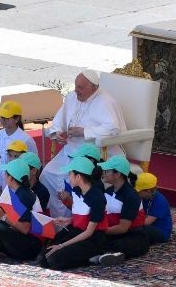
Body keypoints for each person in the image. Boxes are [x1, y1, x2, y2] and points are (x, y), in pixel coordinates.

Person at [41, 69, 125, 217]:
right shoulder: (73, 97)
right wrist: (57, 132)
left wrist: (84, 131)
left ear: (94, 88)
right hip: (70, 150)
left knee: (73, 180)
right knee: (47, 174)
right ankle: (57, 220)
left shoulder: (106, 101)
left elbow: (113, 128)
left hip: (94, 154)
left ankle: (77, 218)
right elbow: (59, 120)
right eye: (75, 86)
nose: (76, 91)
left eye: (80, 88)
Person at [36, 157, 108, 270]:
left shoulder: (97, 197)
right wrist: (68, 220)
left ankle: (94, 257)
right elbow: (82, 215)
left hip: (92, 238)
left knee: (54, 259)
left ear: (78, 176)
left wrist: (62, 245)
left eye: (70, 174)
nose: (68, 177)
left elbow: (89, 231)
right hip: (76, 231)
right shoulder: (76, 191)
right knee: (42, 257)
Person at [92, 155, 150, 265]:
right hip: (111, 230)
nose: (103, 172)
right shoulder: (108, 190)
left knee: (117, 244)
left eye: (107, 171)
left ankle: (111, 255)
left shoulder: (131, 196)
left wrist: (97, 230)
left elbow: (123, 228)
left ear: (117, 174)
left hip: (132, 235)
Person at [0, 101, 38, 195]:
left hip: (19, 183)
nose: (3, 120)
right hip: (3, 179)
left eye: (7, 118)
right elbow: (1, 160)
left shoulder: (27, 139)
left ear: (17, 118)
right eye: (1, 117)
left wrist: (29, 188)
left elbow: (35, 165)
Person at [135, 172, 172, 245]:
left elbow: (147, 222)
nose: (137, 193)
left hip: (161, 232)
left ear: (148, 191)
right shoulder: (146, 197)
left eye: (139, 191)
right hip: (149, 227)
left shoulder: (160, 201)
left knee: (137, 229)